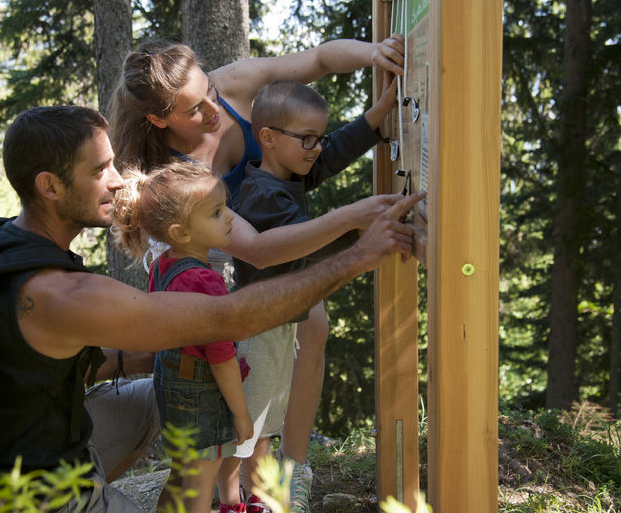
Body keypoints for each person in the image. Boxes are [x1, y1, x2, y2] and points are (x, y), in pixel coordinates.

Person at [0, 104, 422, 512]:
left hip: (18, 445)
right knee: (196, 401)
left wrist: (148, 355)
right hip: (36, 493)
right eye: (100, 169)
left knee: (169, 391)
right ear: (49, 186)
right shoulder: (58, 293)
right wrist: (359, 256)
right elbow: (233, 320)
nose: (116, 179)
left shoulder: (0, 242)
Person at [108, 37, 405, 509]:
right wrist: (354, 220)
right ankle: (252, 486)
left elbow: (321, 59)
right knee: (243, 370)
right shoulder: (170, 173)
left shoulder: (235, 85)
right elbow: (256, 252)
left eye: (209, 91)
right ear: (159, 119)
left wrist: (375, 54)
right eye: (193, 109)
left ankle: (290, 470)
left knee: (313, 327)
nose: (212, 109)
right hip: (216, 260)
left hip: (274, 238)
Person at [213, 80, 394, 512]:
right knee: (242, 429)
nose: (316, 148)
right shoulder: (265, 195)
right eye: (307, 138)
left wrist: (380, 111)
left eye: (319, 136)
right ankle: (228, 501)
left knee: (264, 423)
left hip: (279, 324)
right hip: (258, 327)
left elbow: (334, 152)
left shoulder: (282, 171)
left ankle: (255, 498)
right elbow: (299, 244)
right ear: (269, 139)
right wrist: (357, 230)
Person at [112, 160, 253, 513]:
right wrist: (240, 413)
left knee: (186, 475)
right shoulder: (205, 282)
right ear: (181, 233)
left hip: (171, 382)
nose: (231, 218)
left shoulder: (163, 266)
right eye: (217, 213)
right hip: (201, 394)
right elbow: (220, 356)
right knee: (201, 486)